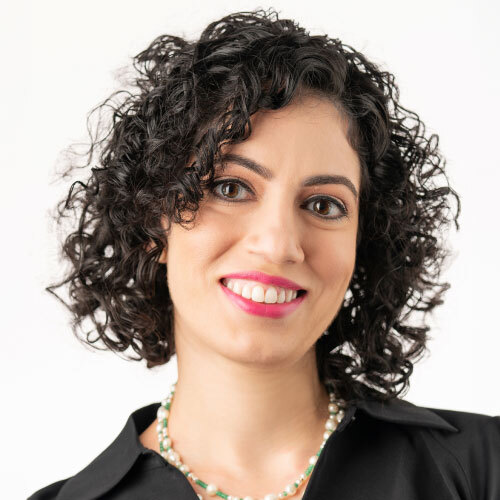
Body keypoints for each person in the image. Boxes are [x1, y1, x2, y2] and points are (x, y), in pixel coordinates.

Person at [28, 8, 499, 500]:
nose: (278, 245)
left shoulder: (483, 469)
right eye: (230, 188)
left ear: (363, 244)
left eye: (324, 205)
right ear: (153, 221)